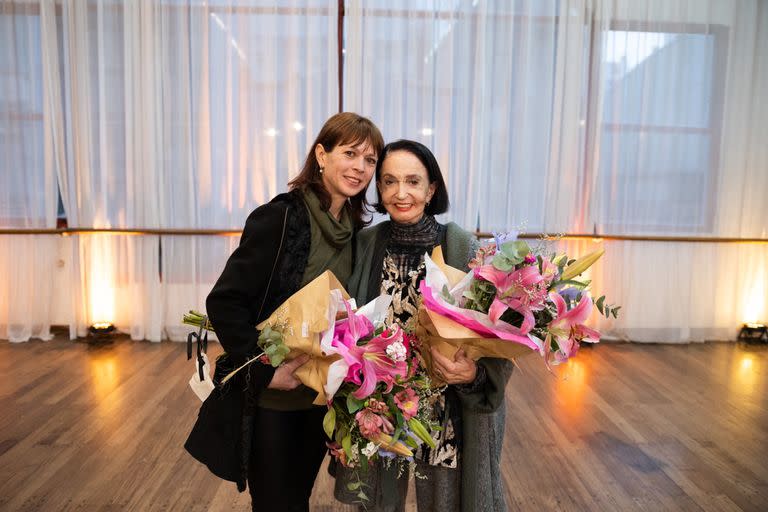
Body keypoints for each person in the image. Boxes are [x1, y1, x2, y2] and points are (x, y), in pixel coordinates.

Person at [185, 112, 384, 512]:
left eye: (370, 160)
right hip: (273, 399)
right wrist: (265, 371)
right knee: (277, 502)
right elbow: (224, 301)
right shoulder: (280, 218)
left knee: (297, 499)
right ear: (321, 155)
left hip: (319, 400)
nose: (360, 168)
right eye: (350, 153)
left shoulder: (356, 230)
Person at [334, 139, 512, 512]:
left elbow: (500, 337)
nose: (401, 193)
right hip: (382, 409)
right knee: (378, 503)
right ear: (378, 189)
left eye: (413, 182)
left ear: (431, 190)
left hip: (447, 410)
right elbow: (343, 322)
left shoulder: (464, 248)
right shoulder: (365, 244)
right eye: (389, 181)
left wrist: (473, 374)